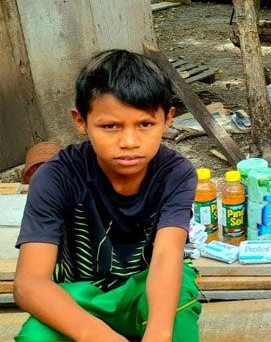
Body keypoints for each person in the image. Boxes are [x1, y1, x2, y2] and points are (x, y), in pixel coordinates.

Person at [14, 50, 201, 342]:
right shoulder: (54, 177)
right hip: (79, 298)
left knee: (179, 305)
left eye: (145, 124)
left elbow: (167, 256)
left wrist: (159, 333)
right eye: (110, 126)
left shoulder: (176, 174)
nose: (129, 142)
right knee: (36, 335)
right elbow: (30, 283)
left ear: (167, 120)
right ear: (81, 121)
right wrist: (100, 336)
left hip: (147, 291)